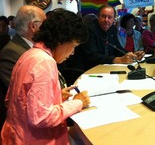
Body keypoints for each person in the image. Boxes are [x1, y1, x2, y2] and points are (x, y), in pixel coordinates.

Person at [1, 9, 90, 144]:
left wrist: (56, 96)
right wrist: (78, 103)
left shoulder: (29, 54)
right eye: (73, 46)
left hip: (15, 136)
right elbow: (40, 117)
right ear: (61, 40)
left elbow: (14, 99)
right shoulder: (44, 62)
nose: (72, 53)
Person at [70, 5, 145, 71]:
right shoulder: (89, 30)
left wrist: (131, 54)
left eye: (110, 17)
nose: (106, 20)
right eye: (103, 16)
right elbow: (92, 56)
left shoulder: (113, 29)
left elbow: (117, 48)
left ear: (113, 19)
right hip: (87, 70)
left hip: (105, 68)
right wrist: (117, 60)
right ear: (98, 16)